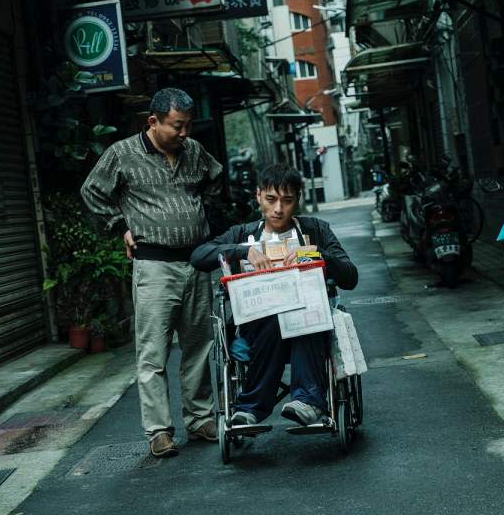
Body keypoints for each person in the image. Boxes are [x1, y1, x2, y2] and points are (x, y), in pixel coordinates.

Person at [80, 88, 222, 458]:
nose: (184, 133)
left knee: (198, 347)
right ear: (153, 122)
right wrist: (119, 226)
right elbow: (92, 191)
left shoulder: (193, 151)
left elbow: (214, 179)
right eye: (177, 126)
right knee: (153, 353)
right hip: (154, 265)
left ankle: (200, 418)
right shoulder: (121, 154)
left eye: (188, 125)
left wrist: (200, 210)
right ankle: (159, 430)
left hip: (196, 261)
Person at [190, 163, 358, 426]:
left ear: (297, 200)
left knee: (305, 314)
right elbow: (198, 256)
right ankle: (257, 406)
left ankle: (303, 401)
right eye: (271, 199)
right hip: (259, 326)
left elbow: (350, 276)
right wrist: (242, 251)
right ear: (258, 196)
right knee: (275, 317)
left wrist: (318, 255)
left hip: (309, 321)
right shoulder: (243, 234)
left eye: (287, 201)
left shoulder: (315, 230)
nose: (279, 209)